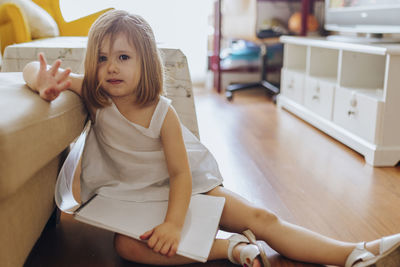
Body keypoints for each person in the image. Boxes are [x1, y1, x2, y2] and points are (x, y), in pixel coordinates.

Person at [22, 10, 400, 267]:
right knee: (127, 248)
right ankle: (230, 249)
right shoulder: (95, 93)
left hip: (184, 188)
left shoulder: (161, 112)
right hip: (132, 197)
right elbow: (25, 71)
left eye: (123, 57)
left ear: (146, 63)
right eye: (102, 58)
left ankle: (354, 253)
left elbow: (182, 176)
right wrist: (42, 81)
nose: (110, 67)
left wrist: (173, 223)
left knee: (260, 217)